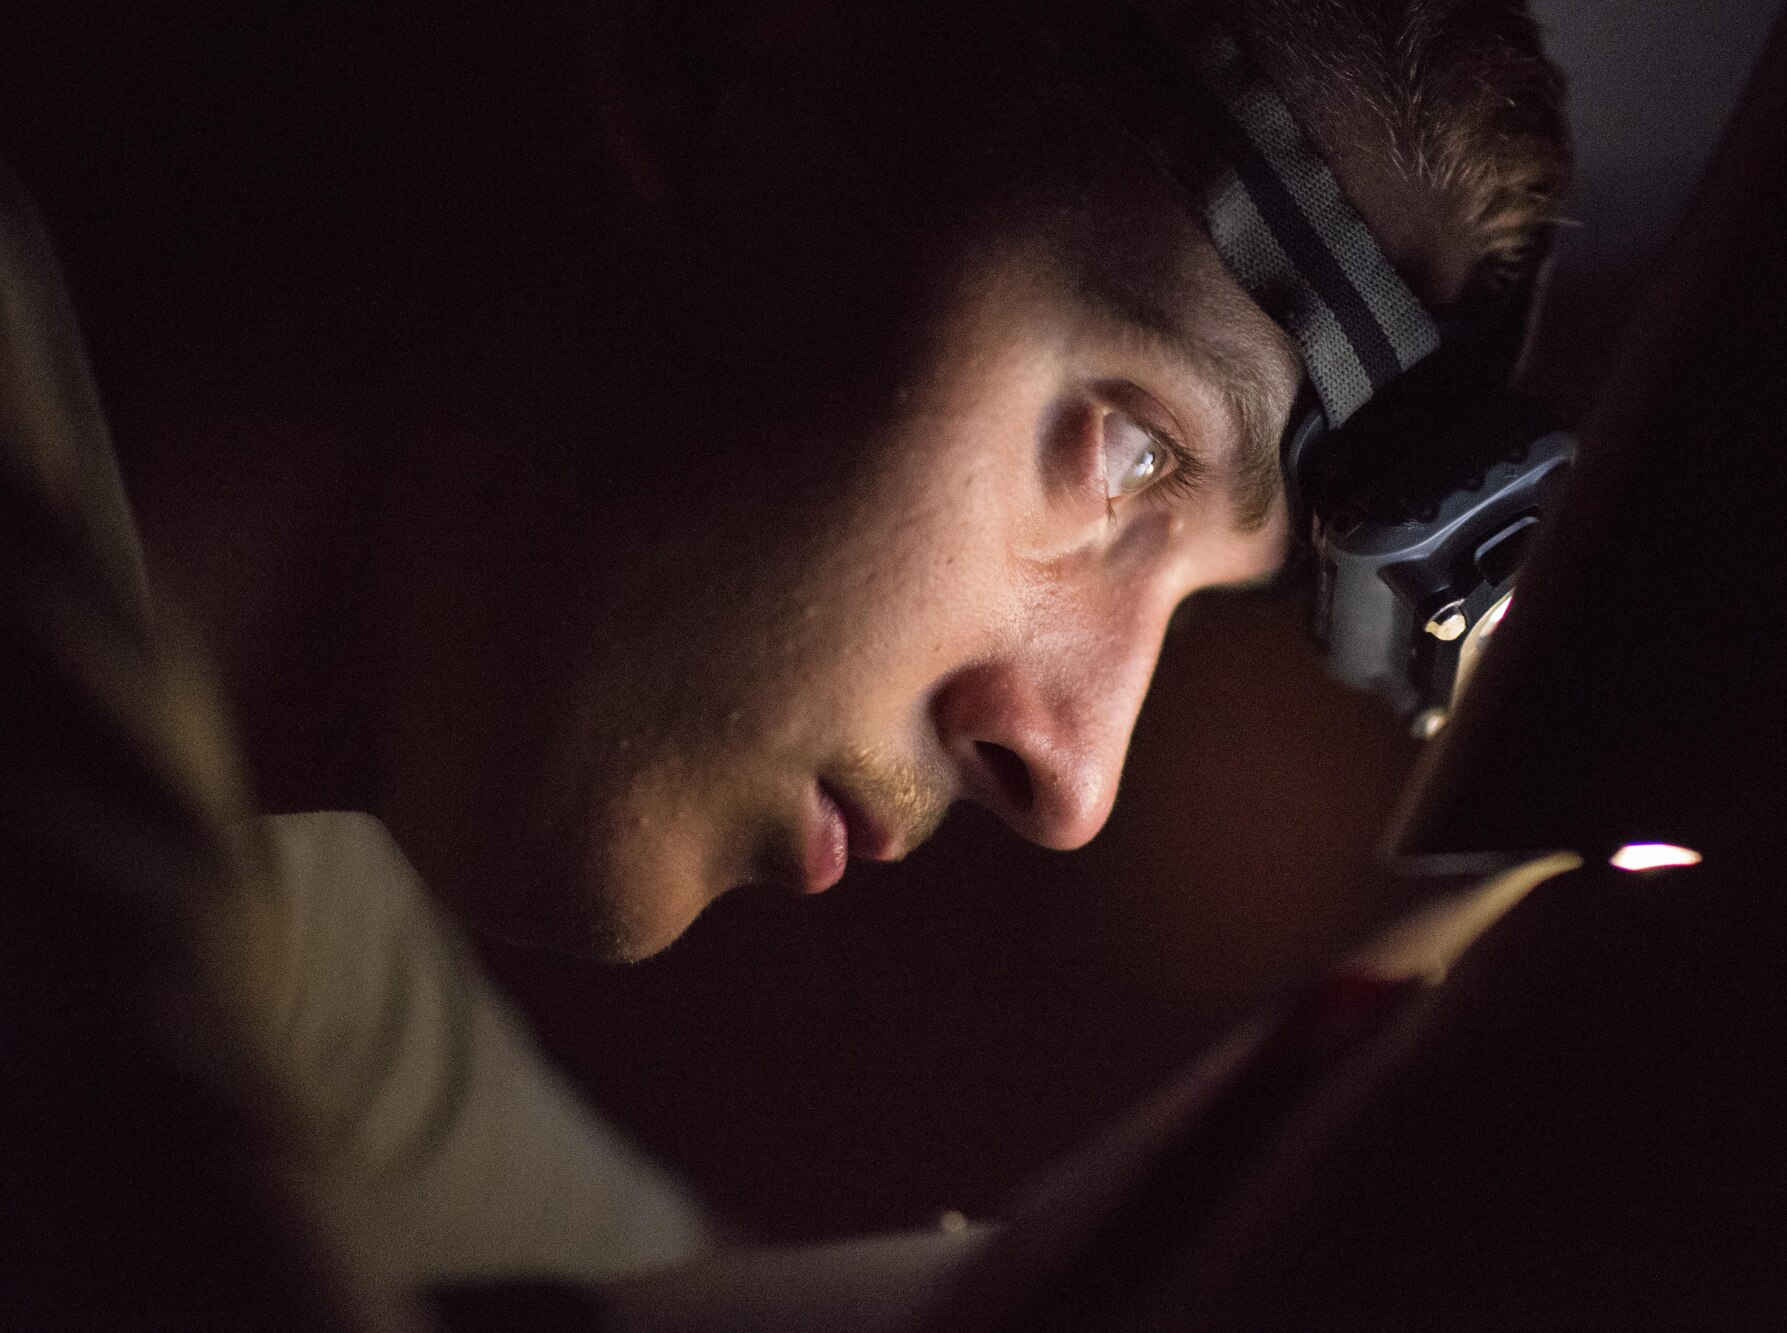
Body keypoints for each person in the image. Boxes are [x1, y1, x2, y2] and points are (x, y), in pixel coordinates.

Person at [0, 0, 1570, 1319]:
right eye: (1128, 457)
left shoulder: (265, 905)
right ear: (711, 74)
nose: (1075, 774)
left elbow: (673, 1290)